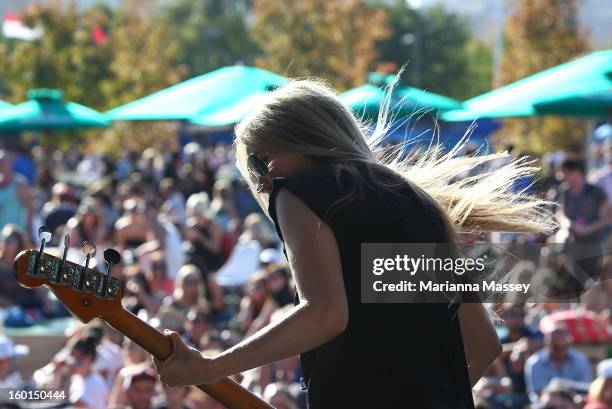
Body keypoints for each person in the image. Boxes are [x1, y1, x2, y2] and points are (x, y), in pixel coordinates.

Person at [152, 79, 554, 408]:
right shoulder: (420, 204)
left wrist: (211, 367)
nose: (262, 179)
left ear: (298, 140)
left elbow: (327, 314)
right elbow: (483, 346)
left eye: (261, 159)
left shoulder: (301, 192)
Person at [525, 325, 592, 404]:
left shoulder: (580, 360)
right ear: (546, 343)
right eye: (556, 347)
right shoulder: (534, 363)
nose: (560, 351)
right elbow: (539, 393)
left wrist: (562, 384)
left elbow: (587, 388)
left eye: (564, 347)